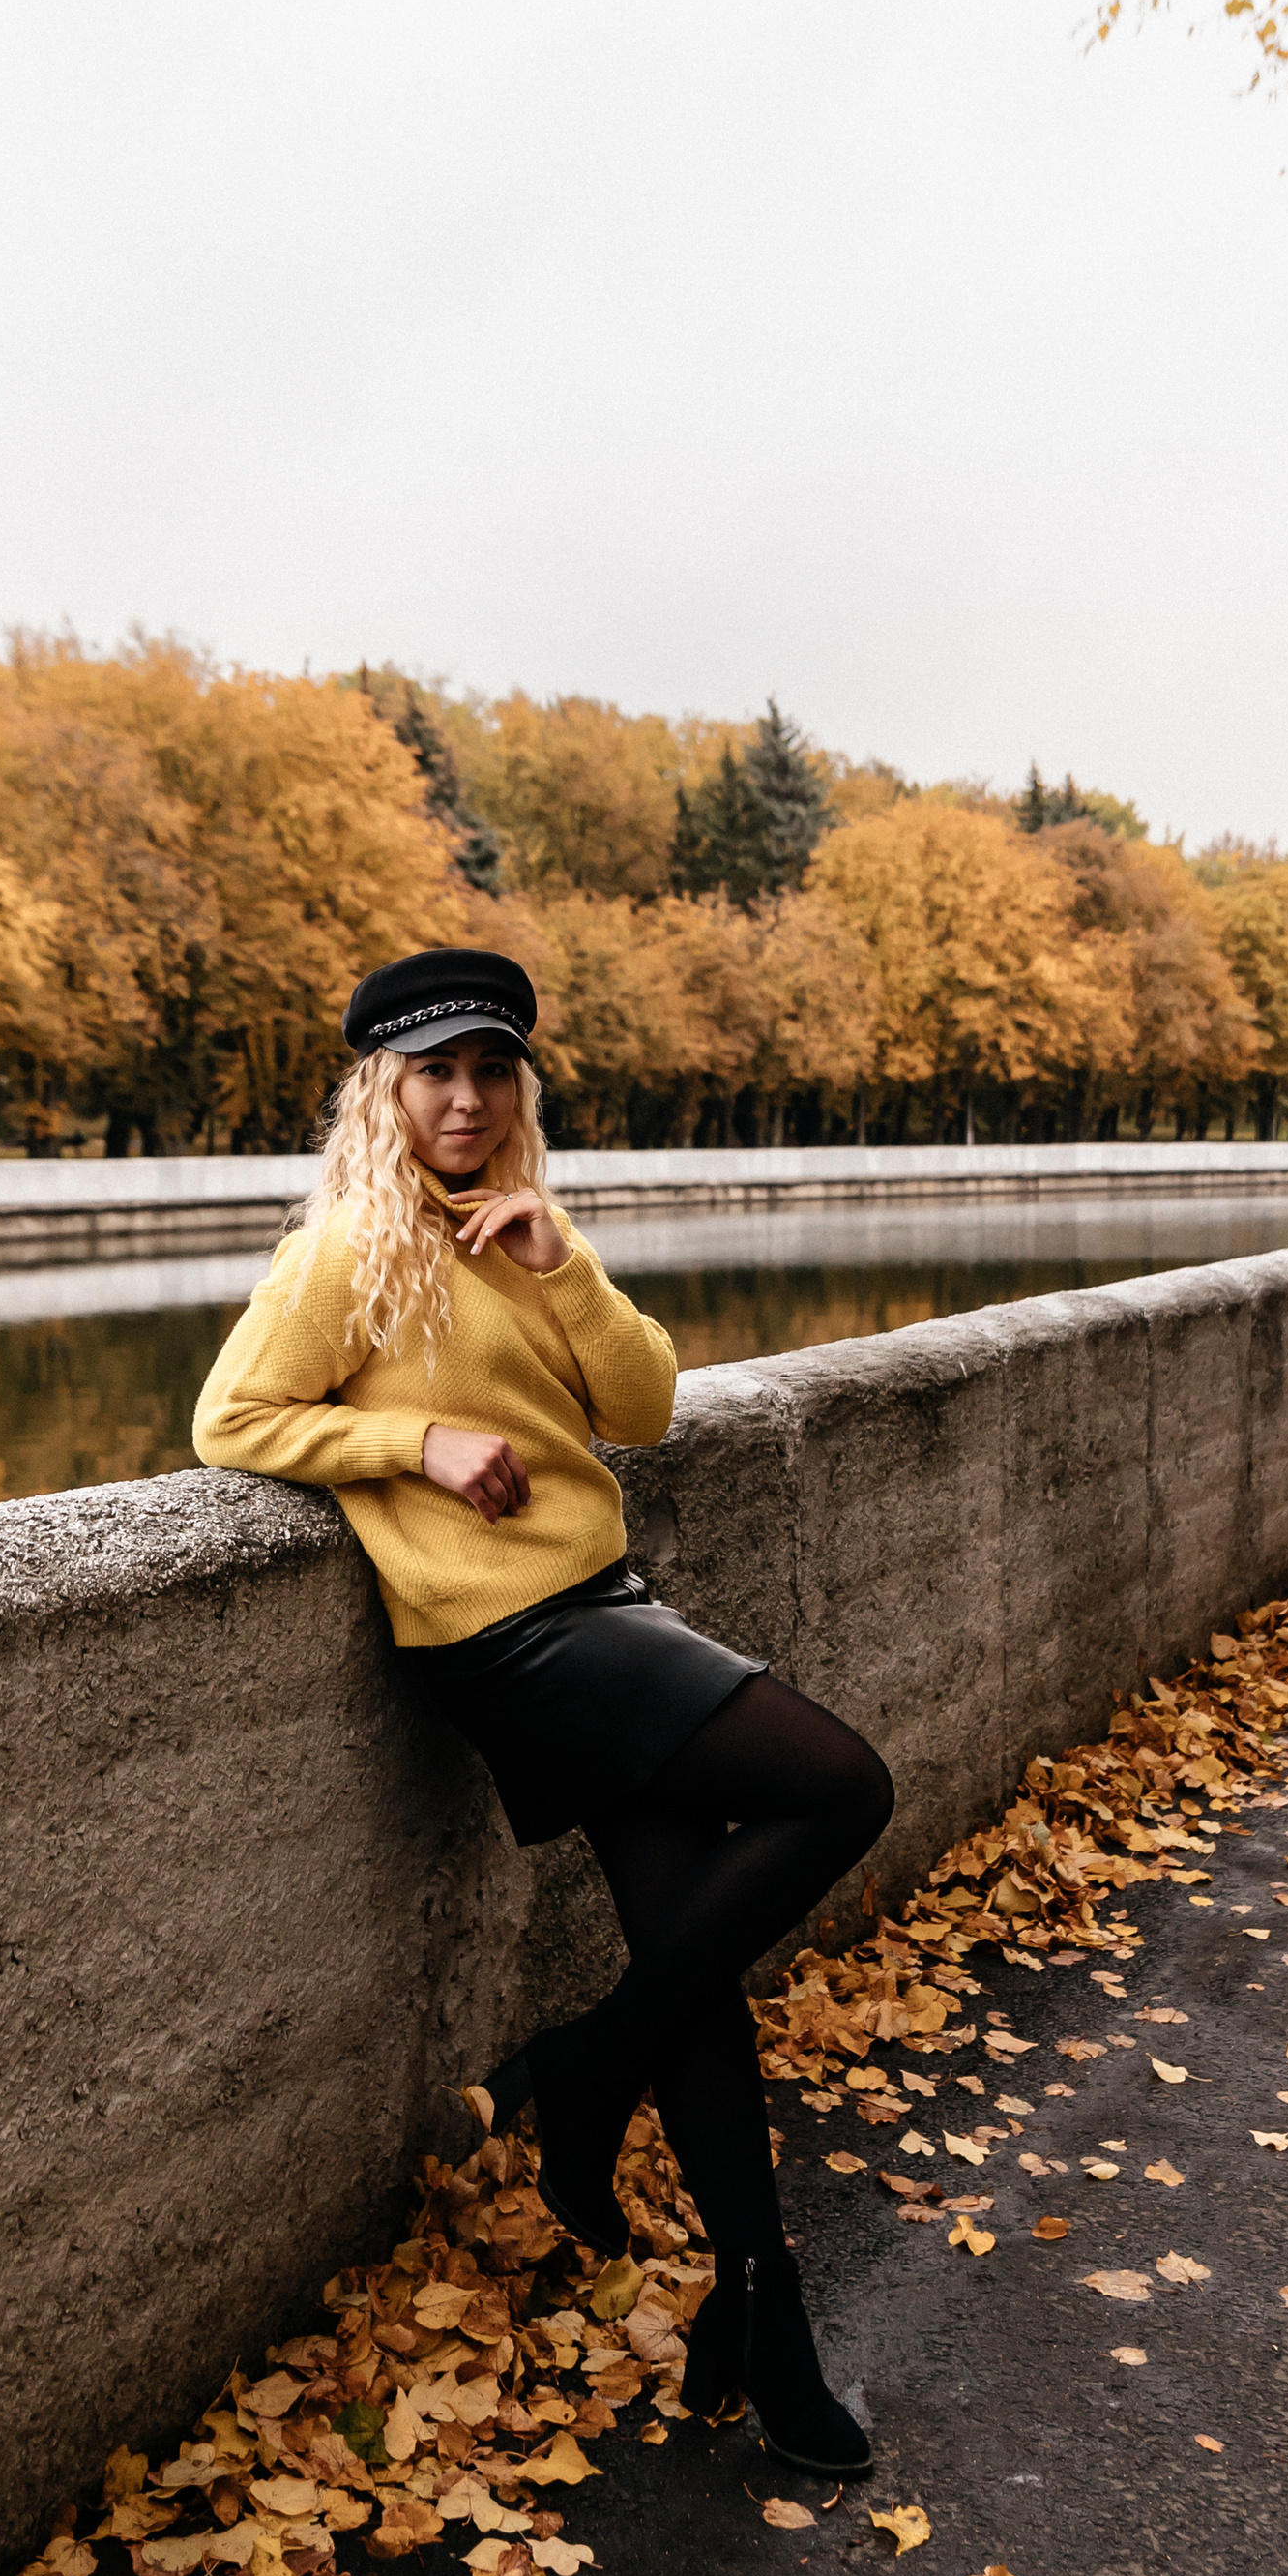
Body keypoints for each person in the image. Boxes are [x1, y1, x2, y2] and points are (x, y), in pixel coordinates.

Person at [192, 944, 893, 2476]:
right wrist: (414, 1441)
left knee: (692, 1977)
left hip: (598, 1604)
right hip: (508, 1637)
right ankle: (587, 2072)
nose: (463, 1098)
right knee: (842, 1789)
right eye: (433, 1072)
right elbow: (229, 1418)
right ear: (384, 1091)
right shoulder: (345, 1254)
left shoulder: (523, 1232)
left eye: (489, 1070)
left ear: (519, 1087)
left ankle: (765, 2316)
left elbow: (643, 1407)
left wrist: (557, 1266)